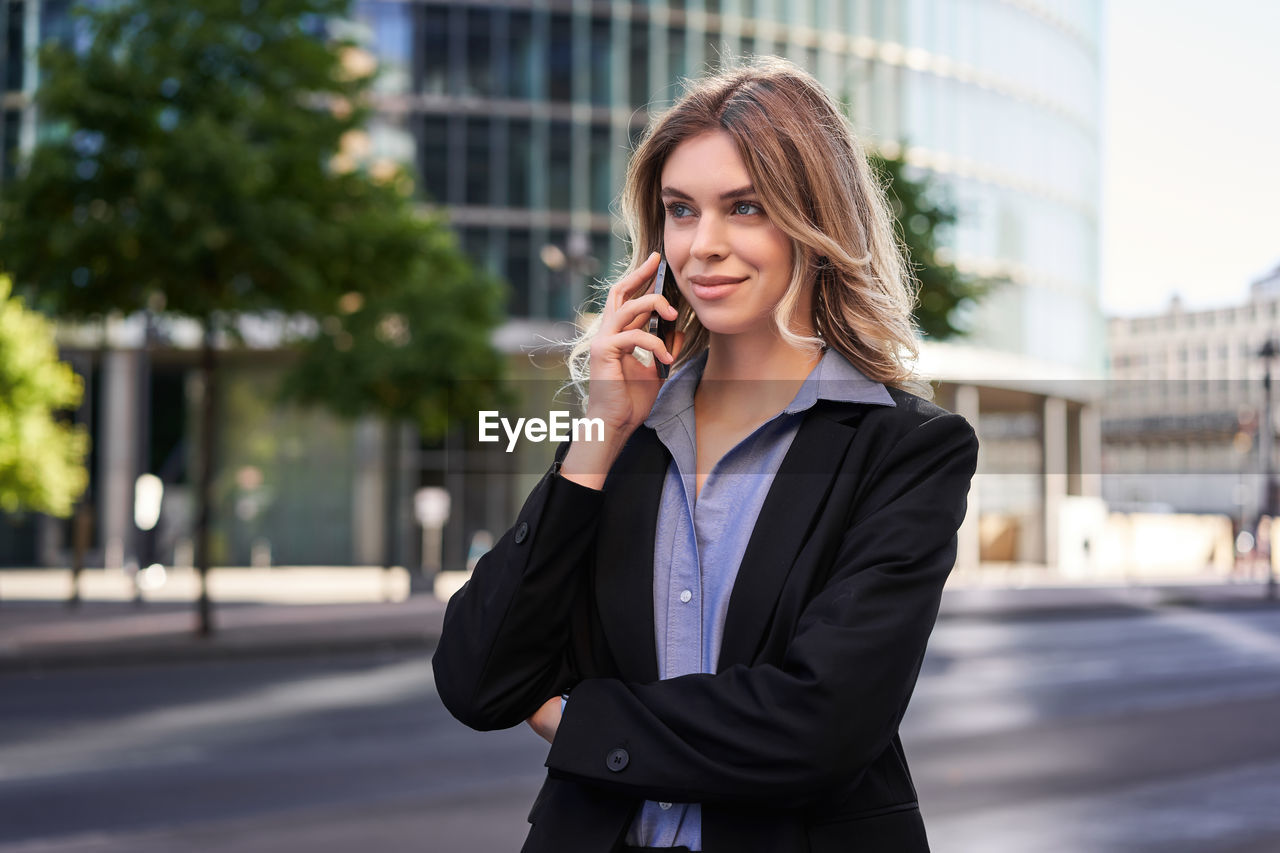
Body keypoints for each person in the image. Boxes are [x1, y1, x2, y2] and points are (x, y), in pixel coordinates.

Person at [433, 57, 979, 853]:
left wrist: (582, 719)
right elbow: (479, 677)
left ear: (813, 220)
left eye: (744, 207)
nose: (703, 245)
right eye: (680, 211)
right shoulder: (625, 431)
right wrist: (599, 434)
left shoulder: (907, 449)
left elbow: (821, 726)